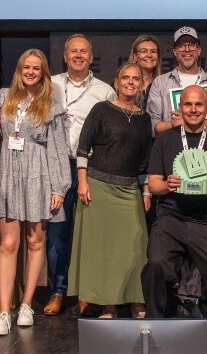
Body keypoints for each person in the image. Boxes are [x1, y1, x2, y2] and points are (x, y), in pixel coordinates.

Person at [142, 86, 207, 333]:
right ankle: (156, 318)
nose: (194, 109)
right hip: (172, 217)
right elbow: (153, 184)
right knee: (156, 264)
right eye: (188, 104)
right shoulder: (165, 140)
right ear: (180, 108)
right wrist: (167, 184)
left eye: (199, 104)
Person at [0, 49, 72, 336]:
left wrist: (59, 187)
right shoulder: (3, 97)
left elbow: (58, 148)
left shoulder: (51, 105)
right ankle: (4, 311)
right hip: (8, 173)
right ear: (19, 70)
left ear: (43, 73)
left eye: (36, 68)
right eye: (26, 67)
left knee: (35, 241)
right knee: (8, 243)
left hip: (39, 173)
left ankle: (26, 305)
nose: (30, 72)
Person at [68, 62, 154, 319]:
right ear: (117, 82)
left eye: (135, 78)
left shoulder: (144, 118)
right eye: (125, 78)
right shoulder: (101, 110)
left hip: (129, 190)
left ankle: (137, 300)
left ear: (141, 85)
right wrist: (82, 182)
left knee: (135, 247)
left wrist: (146, 192)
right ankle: (109, 305)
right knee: (104, 250)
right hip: (98, 187)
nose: (130, 82)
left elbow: (145, 161)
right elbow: (83, 148)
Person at [46, 35, 115, 317]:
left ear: (91, 56)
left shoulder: (105, 91)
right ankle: (57, 292)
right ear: (65, 56)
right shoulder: (49, 85)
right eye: (73, 51)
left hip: (90, 169)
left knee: (90, 235)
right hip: (56, 167)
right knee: (57, 234)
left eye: (83, 51)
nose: (78, 55)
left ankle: (88, 291)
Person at [146, 27, 207, 135]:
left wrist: (200, 123)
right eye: (181, 45)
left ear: (199, 50)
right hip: (172, 143)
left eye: (191, 44)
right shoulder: (160, 83)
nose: (187, 49)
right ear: (175, 52)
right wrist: (173, 124)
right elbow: (151, 125)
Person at [128, 35, 161, 107]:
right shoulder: (124, 84)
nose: (149, 55)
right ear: (135, 56)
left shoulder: (164, 84)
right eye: (144, 51)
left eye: (153, 51)